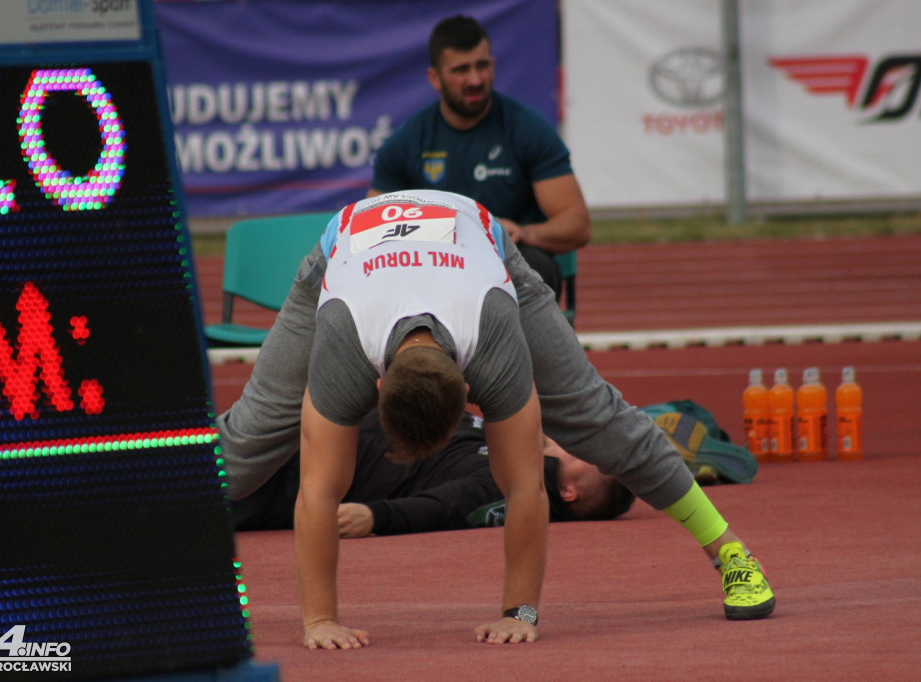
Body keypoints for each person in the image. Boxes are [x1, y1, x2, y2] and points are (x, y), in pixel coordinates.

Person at [216, 189, 775, 651]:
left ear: (469, 390)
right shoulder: (342, 344)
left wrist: (520, 611)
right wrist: (319, 621)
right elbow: (317, 493)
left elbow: (526, 486)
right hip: (346, 250)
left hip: (478, 247)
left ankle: (730, 554)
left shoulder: (494, 339)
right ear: (377, 386)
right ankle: (132, 532)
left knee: (596, 418)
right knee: (250, 440)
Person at [368, 15, 591, 300]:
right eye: (461, 69)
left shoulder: (528, 130)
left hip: (511, 262)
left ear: (493, 66)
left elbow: (577, 224)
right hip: (434, 265)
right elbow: (373, 229)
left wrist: (523, 233)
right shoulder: (404, 144)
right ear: (434, 78)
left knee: (535, 269)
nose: (475, 79)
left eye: (482, 65)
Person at [229, 409, 635, 536]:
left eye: (595, 462)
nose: (589, 449)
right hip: (310, 429)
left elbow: (445, 508)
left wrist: (375, 517)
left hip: (289, 475)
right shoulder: (517, 441)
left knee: (186, 494)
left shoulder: (515, 486)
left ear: (567, 491)